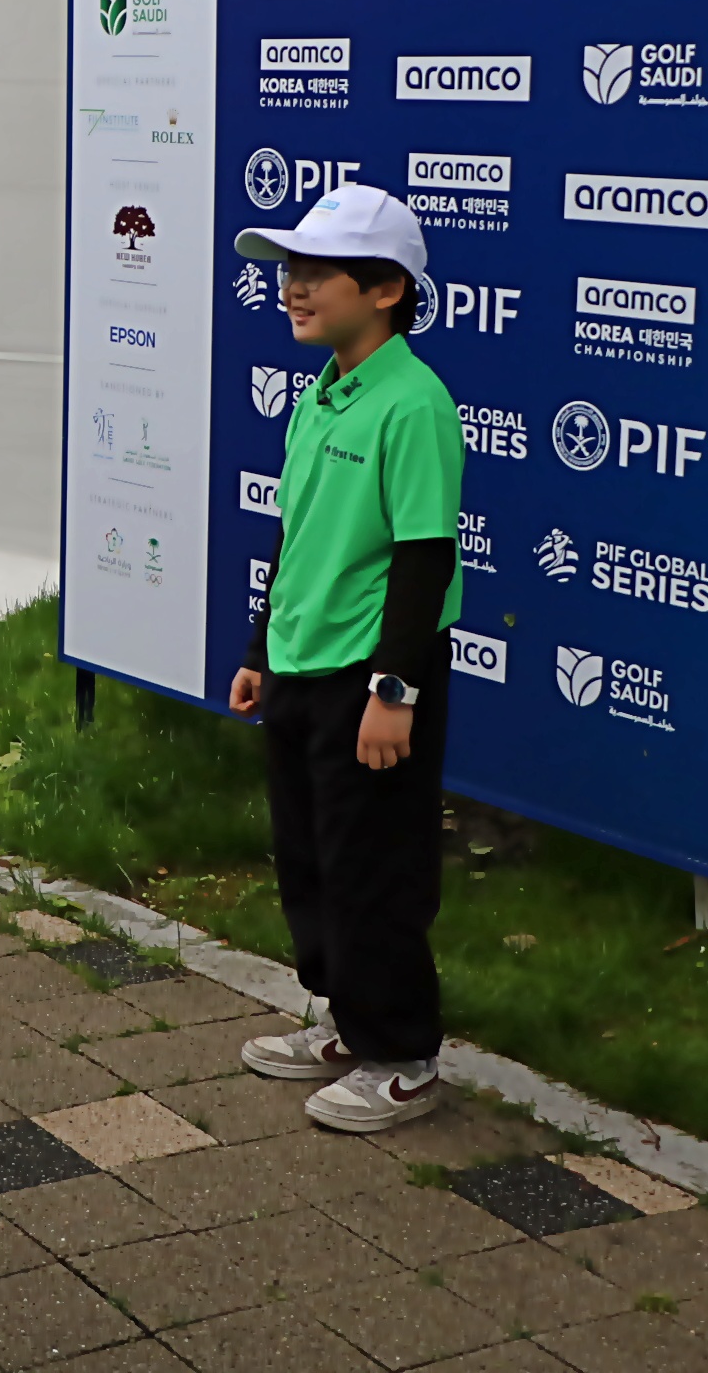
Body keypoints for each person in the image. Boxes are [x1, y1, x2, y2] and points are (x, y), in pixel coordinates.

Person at [222, 183, 463, 1134]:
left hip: (371, 677)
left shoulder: (415, 402)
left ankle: (402, 1055)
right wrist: (260, 648)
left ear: (387, 289)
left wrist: (394, 692)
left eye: (317, 272)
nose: (292, 286)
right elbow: (297, 533)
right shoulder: (319, 393)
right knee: (311, 859)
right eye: (289, 269)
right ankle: (344, 1020)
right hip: (299, 665)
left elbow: (424, 557)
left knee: (374, 869)